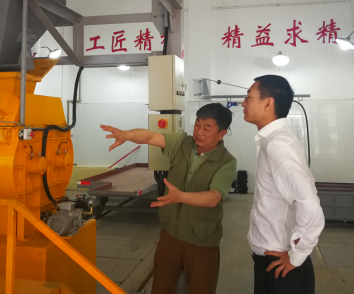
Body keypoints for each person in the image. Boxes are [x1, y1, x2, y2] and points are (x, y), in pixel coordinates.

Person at [101, 103, 237, 294]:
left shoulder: (227, 162)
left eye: (207, 128)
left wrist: (181, 196)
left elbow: (213, 198)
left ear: (221, 134)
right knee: (161, 287)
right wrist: (126, 135)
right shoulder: (182, 143)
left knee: (201, 289)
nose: (199, 132)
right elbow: (150, 137)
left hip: (201, 240)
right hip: (170, 234)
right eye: (197, 124)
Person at [242, 75, 324, 294]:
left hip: (281, 270)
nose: (243, 103)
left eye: (249, 97)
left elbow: (310, 205)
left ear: (268, 103)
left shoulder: (277, 145)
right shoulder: (274, 140)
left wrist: (297, 255)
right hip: (272, 263)